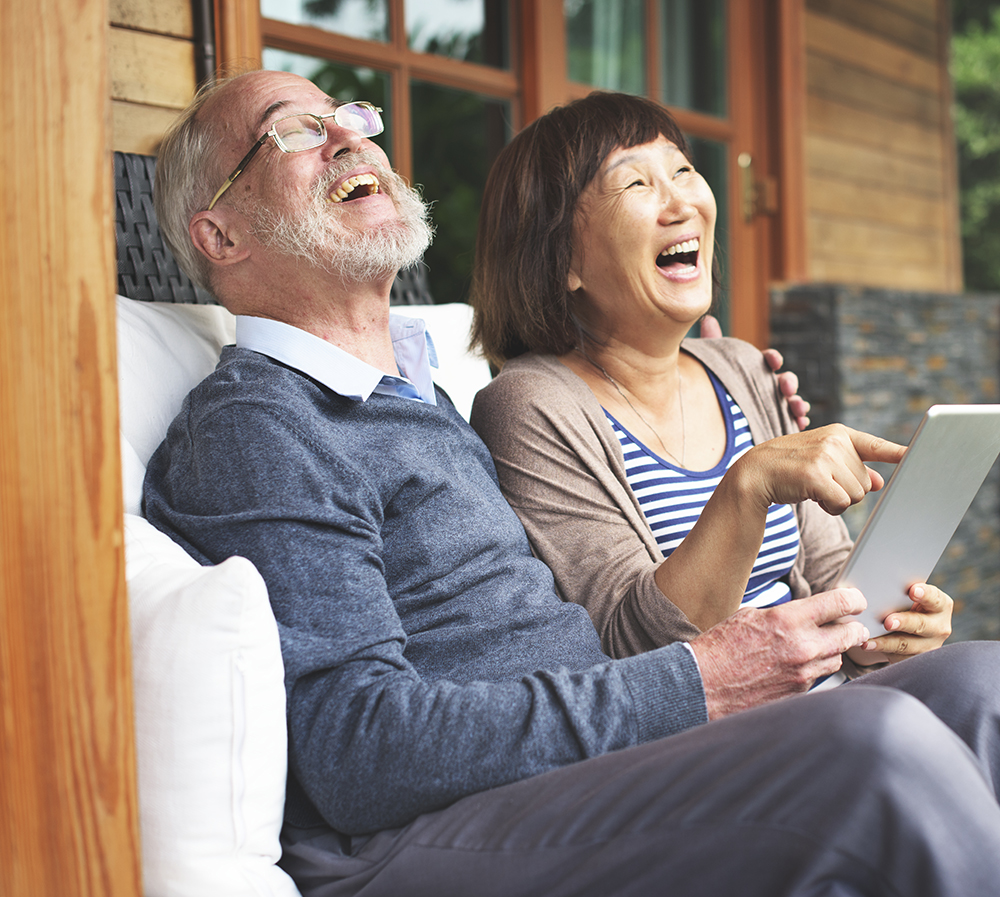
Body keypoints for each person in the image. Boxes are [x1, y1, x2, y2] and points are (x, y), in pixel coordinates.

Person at [144, 69, 1000, 897]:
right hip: (428, 834)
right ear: (222, 236)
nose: (346, 135)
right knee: (873, 740)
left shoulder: (419, 396)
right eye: (295, 130)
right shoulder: (257, 424)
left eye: (351, 116)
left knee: (980, 684)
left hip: (582, 768)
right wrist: (700, 679)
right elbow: (359, 754)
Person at [469, 91, 952, 670]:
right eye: (636, 184)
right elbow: (634, 653)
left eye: (682, 170)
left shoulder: (742, 367)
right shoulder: (529, 405)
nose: (682, 204)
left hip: (828, 693)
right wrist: (749, 484)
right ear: (562, 258)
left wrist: (893, 629)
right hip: (714, 722)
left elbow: (833, 587)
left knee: (977, 674)